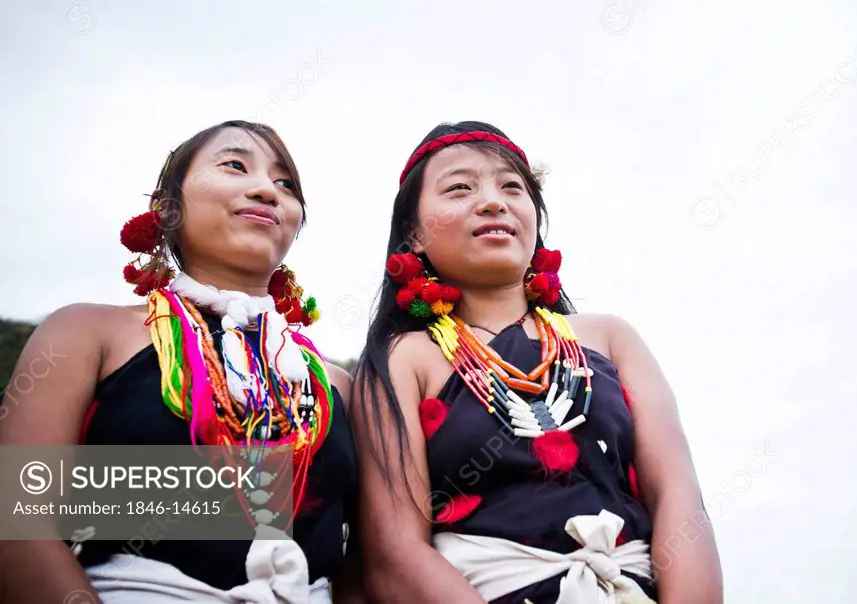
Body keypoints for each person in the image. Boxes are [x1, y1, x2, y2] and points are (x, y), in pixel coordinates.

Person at [353, 121, 724, 603]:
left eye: (512, 186)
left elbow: (680, 497)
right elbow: (395, 549)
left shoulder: (611, 338)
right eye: (460, 188)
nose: (492, 201)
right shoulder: (400, 359)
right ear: (413, 234)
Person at [0, 120, 362, 603]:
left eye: (286, 184)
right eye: (235, 165)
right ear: (167, 208)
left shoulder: (335, 385)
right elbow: (20, 524)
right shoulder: (88, 333)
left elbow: (361, 567)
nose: (266, 191)